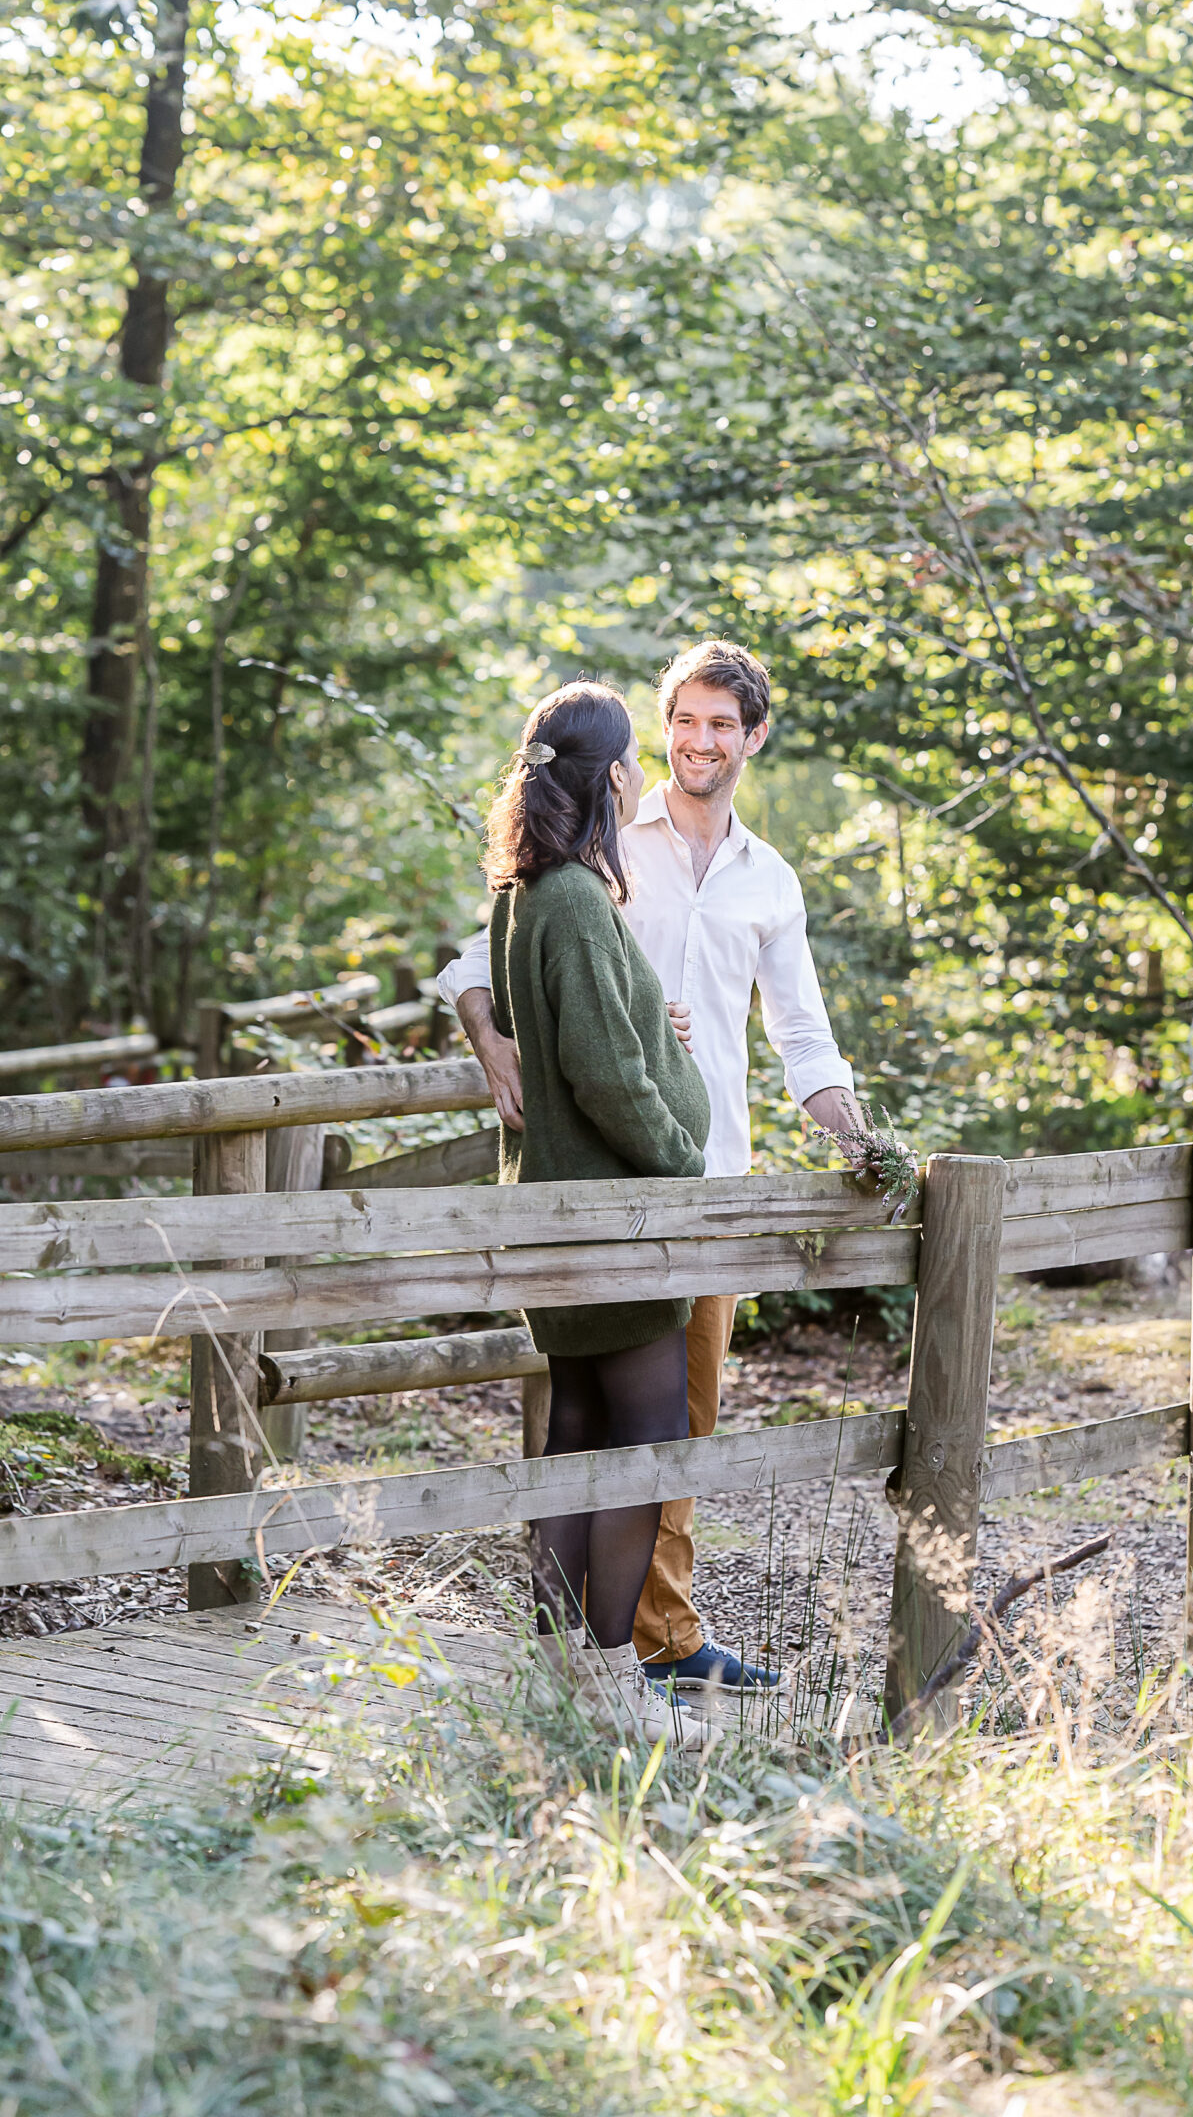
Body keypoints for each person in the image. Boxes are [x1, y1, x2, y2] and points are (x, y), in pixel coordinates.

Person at [439, 640, 861, 1701]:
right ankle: (646, 1649)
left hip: (709, 1183)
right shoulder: (596, 842)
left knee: (679, 1415)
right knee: (636, 1421)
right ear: (657, 735)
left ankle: (636, 1638)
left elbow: (802, 1038)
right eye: (686, 721)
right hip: (621, 1177)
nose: (701, 741)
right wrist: (496, 1043)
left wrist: (861, 1141)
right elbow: (483, 959)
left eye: (724, 724)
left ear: (754, 737)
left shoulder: (771, 879)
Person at [482, 677, 718, 1752]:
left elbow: (593, 1024)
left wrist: (643, 1015)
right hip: (615, 1223)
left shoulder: (527, 892)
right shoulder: (573, 899)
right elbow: (602, 1072)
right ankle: (616, 1680)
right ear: (610, 775)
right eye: (634, 757)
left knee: (577, 1432)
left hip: (560, 1217)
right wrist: (683, 1162)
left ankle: (554, 1672)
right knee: (649, 1441)